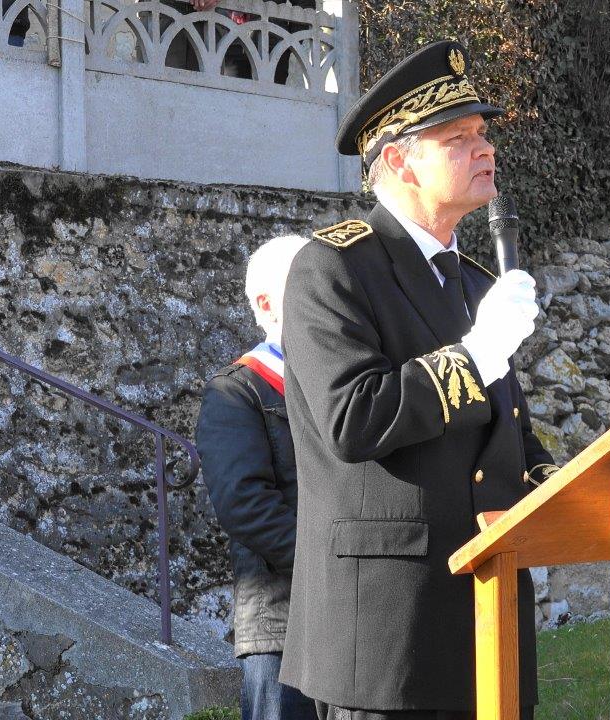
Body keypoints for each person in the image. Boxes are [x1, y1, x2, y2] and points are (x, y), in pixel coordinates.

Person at [278, 40, 558, 720]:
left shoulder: (474, 278)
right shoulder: (332, 269)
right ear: (399, 160)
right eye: (458, 138)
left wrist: (565, 487)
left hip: (484, 616)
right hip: (386, 630)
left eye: (483, 134)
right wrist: (478, 353)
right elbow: (354, 418)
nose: (484, 148)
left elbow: (502, 432)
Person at [196, 235, 318, 720]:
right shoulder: (235, 392)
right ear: (267, 303)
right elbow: (245, 506)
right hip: (282, 623)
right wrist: (332, 565)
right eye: (309, 285)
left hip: (353, 616)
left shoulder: (348, 385)